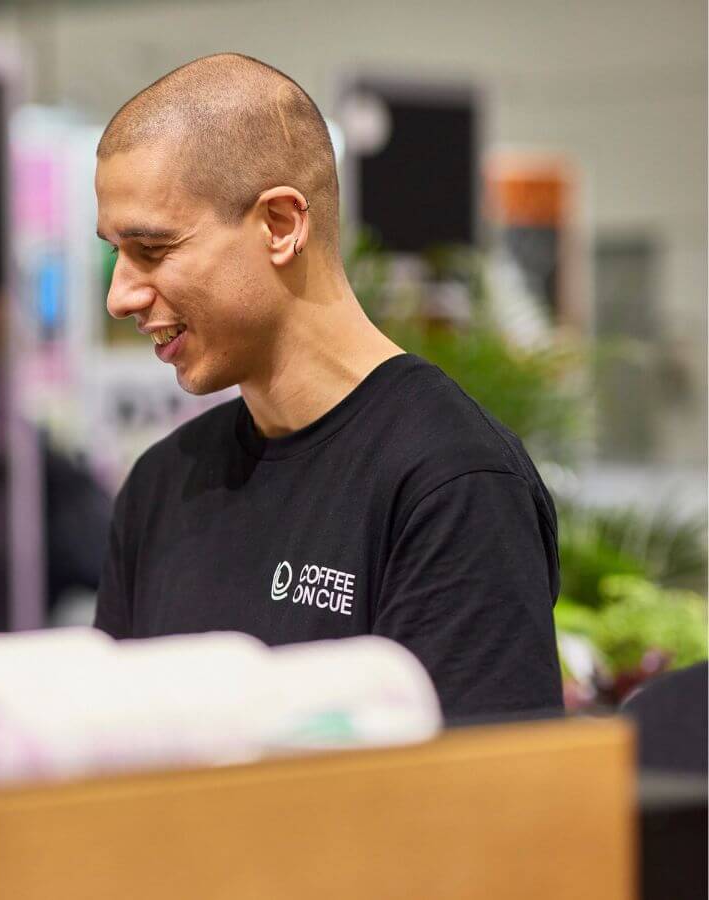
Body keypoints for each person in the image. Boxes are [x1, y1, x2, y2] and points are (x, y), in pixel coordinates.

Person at [92, 53, 562, 719]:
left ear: (280, 225)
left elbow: (483, 803)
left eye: (153, 250)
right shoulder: (163, 483)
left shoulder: (452, 483)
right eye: (115, 253)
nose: (119, 296)